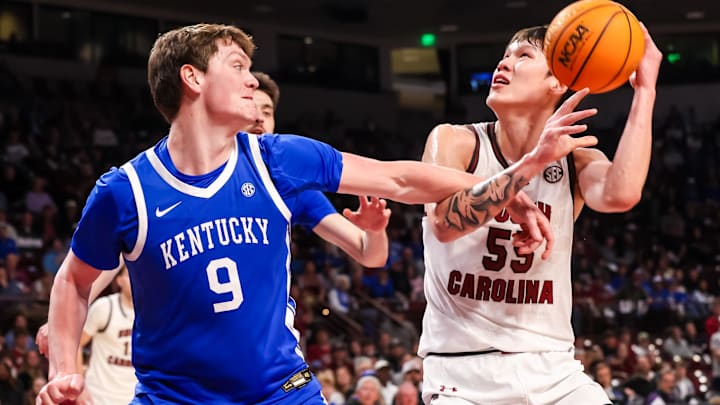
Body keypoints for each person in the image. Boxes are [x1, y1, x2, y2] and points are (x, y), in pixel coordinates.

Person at [37, 23, 583, 405]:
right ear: (192, 79)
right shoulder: (125, 192)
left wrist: (507, 184)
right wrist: (65, 369)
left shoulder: (278, 160)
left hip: (282, 392)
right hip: (174, 397)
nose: (253, 80)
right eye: (238, 67)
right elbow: (74, 282)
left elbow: (400, 177)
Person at [418, 23, 662, 405]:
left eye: (523, 56)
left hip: (554, 370)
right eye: (505, 55)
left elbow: (622, 194)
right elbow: (445, 224)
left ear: (557, 83)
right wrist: (530, 166)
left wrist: (645, 92)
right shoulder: (455, 141)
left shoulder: (575, 161)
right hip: (462, 374)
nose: (504, 63)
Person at [76, 265, 136, 405]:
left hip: (134, 397)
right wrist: (80, 387)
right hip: (99, 396)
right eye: (129, 275)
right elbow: (76, 344)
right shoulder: (104, 307)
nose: (134, 279)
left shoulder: (151, 311)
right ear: (119, 280)